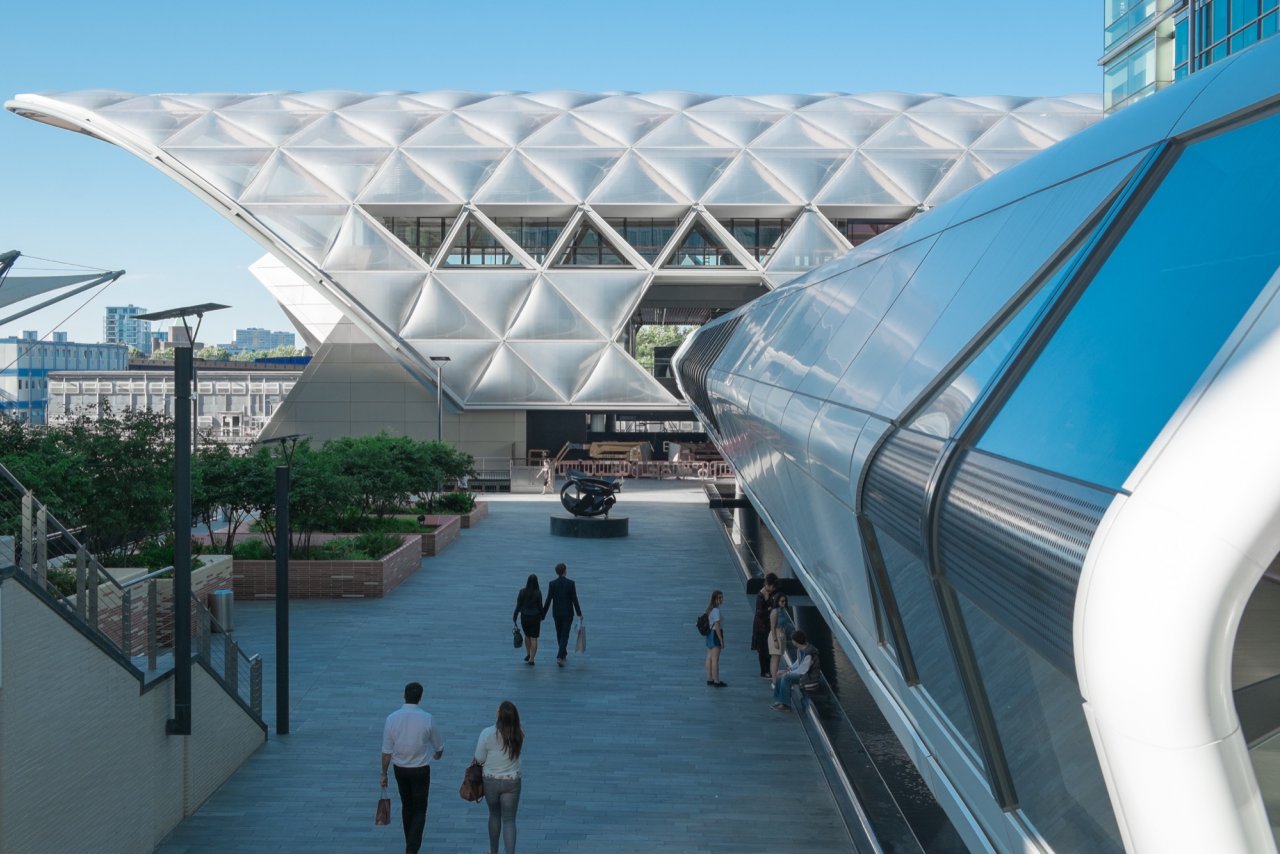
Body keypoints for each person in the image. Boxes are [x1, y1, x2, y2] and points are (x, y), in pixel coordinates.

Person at [380, 681, 445, 854]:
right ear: (420, 697)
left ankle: (409, 840)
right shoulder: (427, 718)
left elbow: (386, 752)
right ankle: (412, 847)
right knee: (420, 807)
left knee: (406, 804)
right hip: (421, 769)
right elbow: (438, 746)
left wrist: (384, 773)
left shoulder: (392, 718)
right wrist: (438, 754)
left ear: (404, 695)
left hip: (400, 769)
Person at [474, 700, 524, 854]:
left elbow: (479, 758)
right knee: (509, 820)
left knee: (494, 815)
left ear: (499, 715)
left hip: (491, 781)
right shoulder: (519, 733)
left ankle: (493, 851)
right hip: (512, 781)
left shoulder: (487, 733)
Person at [541, 562, 583, 666]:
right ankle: (560, 656)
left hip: (556, 613)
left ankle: (563, 653)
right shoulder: (571, 583)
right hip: (568, 613)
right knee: (565, 635)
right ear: (565, 571)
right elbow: (574, 599)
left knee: (559, 633)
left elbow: (548, 600)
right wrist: (579, 613)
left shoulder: (552, 584)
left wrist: (543, 614)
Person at [772, 631, 818, 712]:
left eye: (793, 640)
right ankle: (780, 701)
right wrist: (787, 669)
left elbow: (803, 670)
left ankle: (786, 705)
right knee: (780, 674)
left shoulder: (809, 654)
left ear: (796, 641)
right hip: (803, 674)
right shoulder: (800, 649)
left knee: (786, 677)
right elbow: (798, 663)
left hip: (808, 677)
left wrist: (787, 673)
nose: (792, 641)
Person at [751, 573, 779, 679]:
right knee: (763, 650)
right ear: (768, 584)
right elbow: (760, 613)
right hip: (761, 627)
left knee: (767, 649)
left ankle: (767, 670)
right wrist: (769, 608)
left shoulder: (769, 593)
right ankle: (764, 671)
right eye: (773, 586)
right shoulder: (761, 596)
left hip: (766, 625)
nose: (773, 589)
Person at [513, 574, 543, 665]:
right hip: (535, 617)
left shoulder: (522, 591)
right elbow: (540, 606)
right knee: (534, 638)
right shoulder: (538, 592)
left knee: (527, 636)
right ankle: (532, 659)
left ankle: (528, 653)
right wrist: (543, 615)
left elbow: (518, 606)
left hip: (524, 617)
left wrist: (514, 617)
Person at [768, 593, 795, 682]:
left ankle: (775, 679)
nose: (784, 603)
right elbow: (772, 627)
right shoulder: (775, 612)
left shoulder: (782, 611)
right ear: (777, 601)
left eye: (785, 601)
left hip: (781, 634)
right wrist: (775, 640)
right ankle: (774, 680)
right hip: (776, 634)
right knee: (775, 658)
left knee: (777, 658)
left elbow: (786, 624)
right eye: (782, 601)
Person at [704, 590, 727, 687]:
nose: (721, 600)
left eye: (721, 597)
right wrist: (721, 640)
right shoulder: (716, 611)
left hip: (709, 634)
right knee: (715, 659)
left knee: (709, 657)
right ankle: (716, 680)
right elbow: (717, 626)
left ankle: (710, 678)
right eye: (719, 598)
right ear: (714, 599)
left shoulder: (710, 609)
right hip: (715, 634)